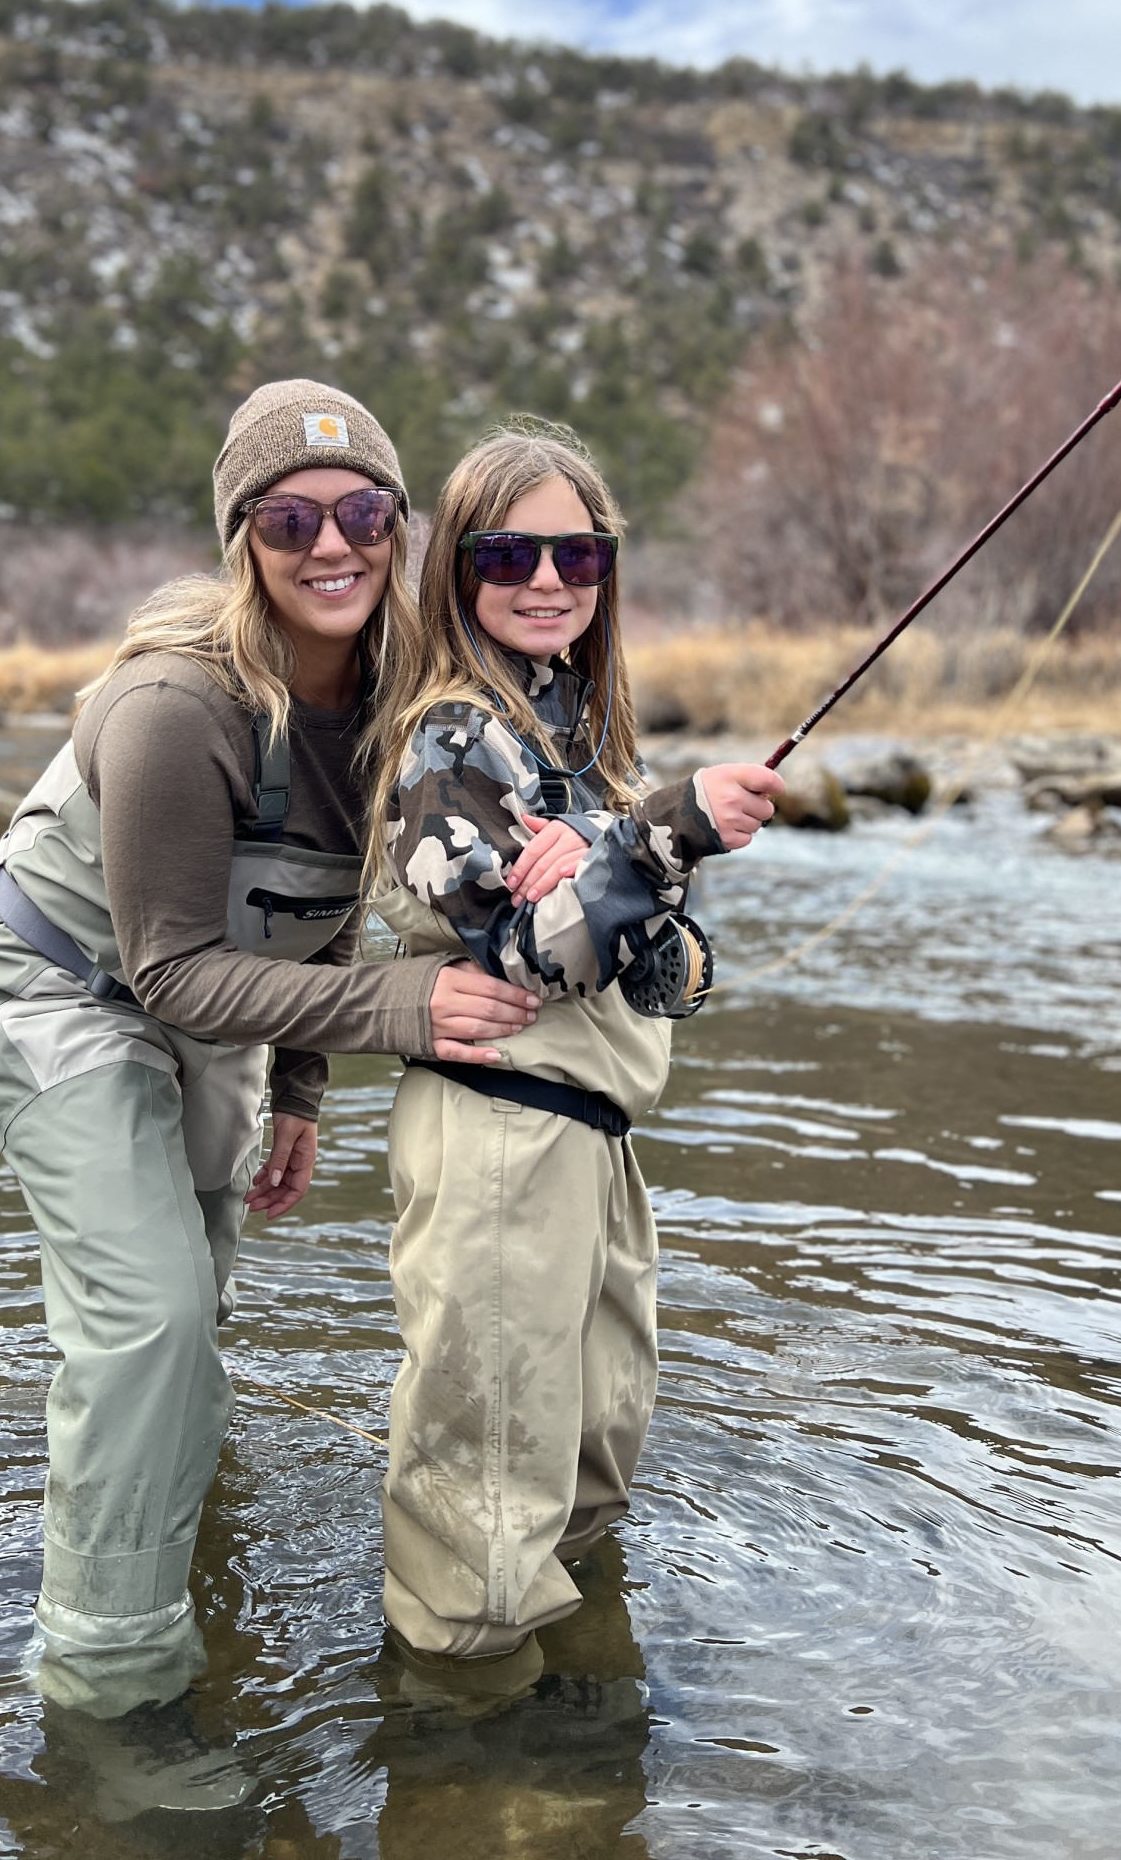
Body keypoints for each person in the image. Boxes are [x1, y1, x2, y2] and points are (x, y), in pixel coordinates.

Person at [0, 379, 541, 1736]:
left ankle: (178, 1552)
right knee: (148, 1316)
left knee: (191, 1303)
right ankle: (111, 1695)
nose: (332, 545)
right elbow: (167, 970)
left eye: (363, 513)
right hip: (57, 982)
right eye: (289, 519)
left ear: (401, 528)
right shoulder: (175, 706)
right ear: (242, 541)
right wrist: (409, 1007)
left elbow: (314, 910)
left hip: (213, 1003)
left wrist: (302, 1090)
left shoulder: (405, 698)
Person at [367, 419, 785, 1674]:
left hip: (598, 1145)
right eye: (509, 551)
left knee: (594, 1466)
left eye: (578, 554)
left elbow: (668, 976)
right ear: (458, 571)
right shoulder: (450, 739)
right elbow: (509, 962)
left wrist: (617, 858)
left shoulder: (582, 749)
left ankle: (567, 1724)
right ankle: (465, 1772)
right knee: (482, 1524)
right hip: (498, 1137)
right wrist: (660, 839)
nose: (547, 579)